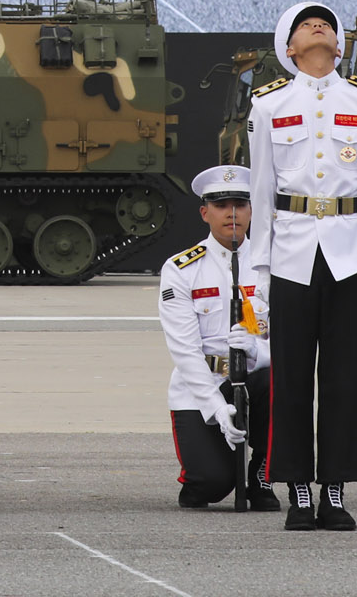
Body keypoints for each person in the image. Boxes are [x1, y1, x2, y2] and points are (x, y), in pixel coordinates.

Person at [248, 2, 357, 531]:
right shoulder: (267, 105)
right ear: (288, 49)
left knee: (342, 377)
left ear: (340, 45)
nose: (319, 27)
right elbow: (261, 191)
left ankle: (333, 490)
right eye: (306, 24)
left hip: (349, 250)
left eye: (327, 24)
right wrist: (257, 271)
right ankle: (298, 494)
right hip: (290, 252)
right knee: (290, 377)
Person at [161, 165, 275, 512]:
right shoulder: (182, 269)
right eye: (222, 205)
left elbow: (289, 339)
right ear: (204, 212)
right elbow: (185, 350)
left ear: (252, 210)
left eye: (240, 204)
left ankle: (263, 474)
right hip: (203, 384)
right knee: (211, 485)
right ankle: (208, 471)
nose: (232, 213)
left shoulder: (274, 263)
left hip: (256, 375)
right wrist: (216, 410)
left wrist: (257, 348)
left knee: (284, 380)